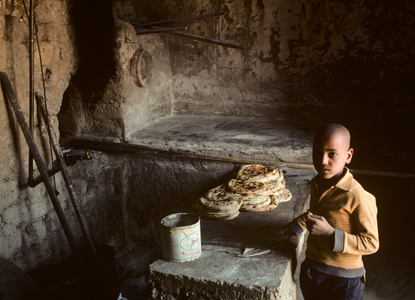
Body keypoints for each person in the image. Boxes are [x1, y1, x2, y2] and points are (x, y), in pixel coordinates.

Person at [279, 123, 379, 300]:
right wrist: (297, 225)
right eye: (317, 153)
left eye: (332, 154)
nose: (322, 161)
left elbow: (370, 243)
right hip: (313, 270)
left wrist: (331, 234)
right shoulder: (318, 183)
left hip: (344, 281)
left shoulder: (357, 196)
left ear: (348, 156)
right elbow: (316, 213)